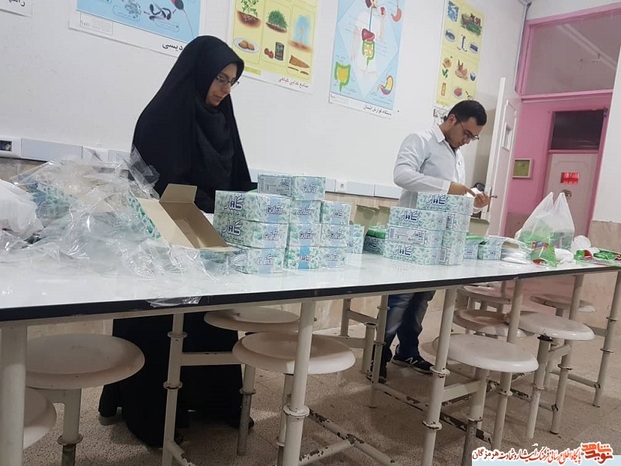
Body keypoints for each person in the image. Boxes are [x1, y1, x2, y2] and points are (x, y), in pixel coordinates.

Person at [98, 36, 254, 446]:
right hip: (161, 241)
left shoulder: (222, 121)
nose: (225, 89)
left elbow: (235, 179)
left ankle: (212, 401)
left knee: (210, 319)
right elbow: (152, 184)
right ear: (199, 73)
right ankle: (149, 416)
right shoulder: (160, 116)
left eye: (232, 82)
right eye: (220, 78)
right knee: (159, 325)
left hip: (206, 239)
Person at [376, 100, 490, 383]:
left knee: (422, 298)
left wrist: (473, 201)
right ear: (452, 120)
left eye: (473, 137)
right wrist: (447, 187)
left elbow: (452, 197)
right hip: (412, 236)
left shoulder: (457, 154)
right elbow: (402, 175)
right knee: (400, 298)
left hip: (438, 240)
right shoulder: (421, 139)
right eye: (467, 133)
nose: (467, 141)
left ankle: (408, 350)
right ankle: (378, 355)